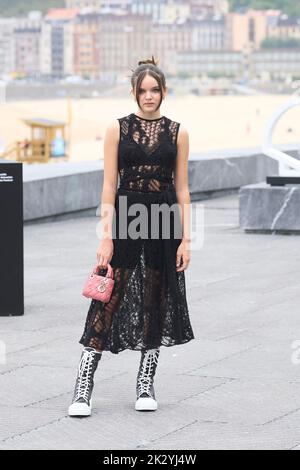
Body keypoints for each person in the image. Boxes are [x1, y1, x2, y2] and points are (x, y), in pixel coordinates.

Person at [68, 56, 195, 417]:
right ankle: (83, 386)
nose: (149, 96)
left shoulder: (178, 132)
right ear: (134, 93)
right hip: (127, 215)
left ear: (165, 91)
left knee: (156, 295)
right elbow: (109, 184)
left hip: (165, 218)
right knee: (108, 297)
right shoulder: (118, 129)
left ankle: (145, 383)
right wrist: (105, 236)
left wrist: (186, 240)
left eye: (155, 90)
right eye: (143, 91)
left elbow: (183, 189)